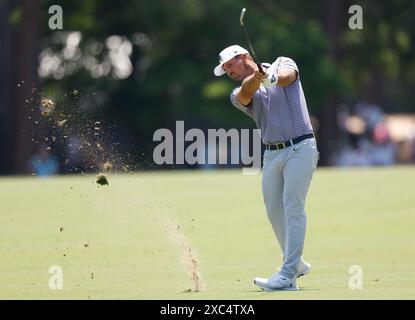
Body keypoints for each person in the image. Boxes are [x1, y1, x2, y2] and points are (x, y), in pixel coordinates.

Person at [214, 45, 319, 291]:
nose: (228, 71)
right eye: (225, 69)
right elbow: (245, 94)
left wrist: (270, 76)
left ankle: (288, 275)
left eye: (230, 65)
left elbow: (287, 77)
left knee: (293, 207)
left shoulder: (284, 60)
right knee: (273, 209)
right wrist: (258, 77)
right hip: (272, 154)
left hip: (300, 147)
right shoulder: (238, 91)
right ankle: (298, 263)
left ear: (243, 58)